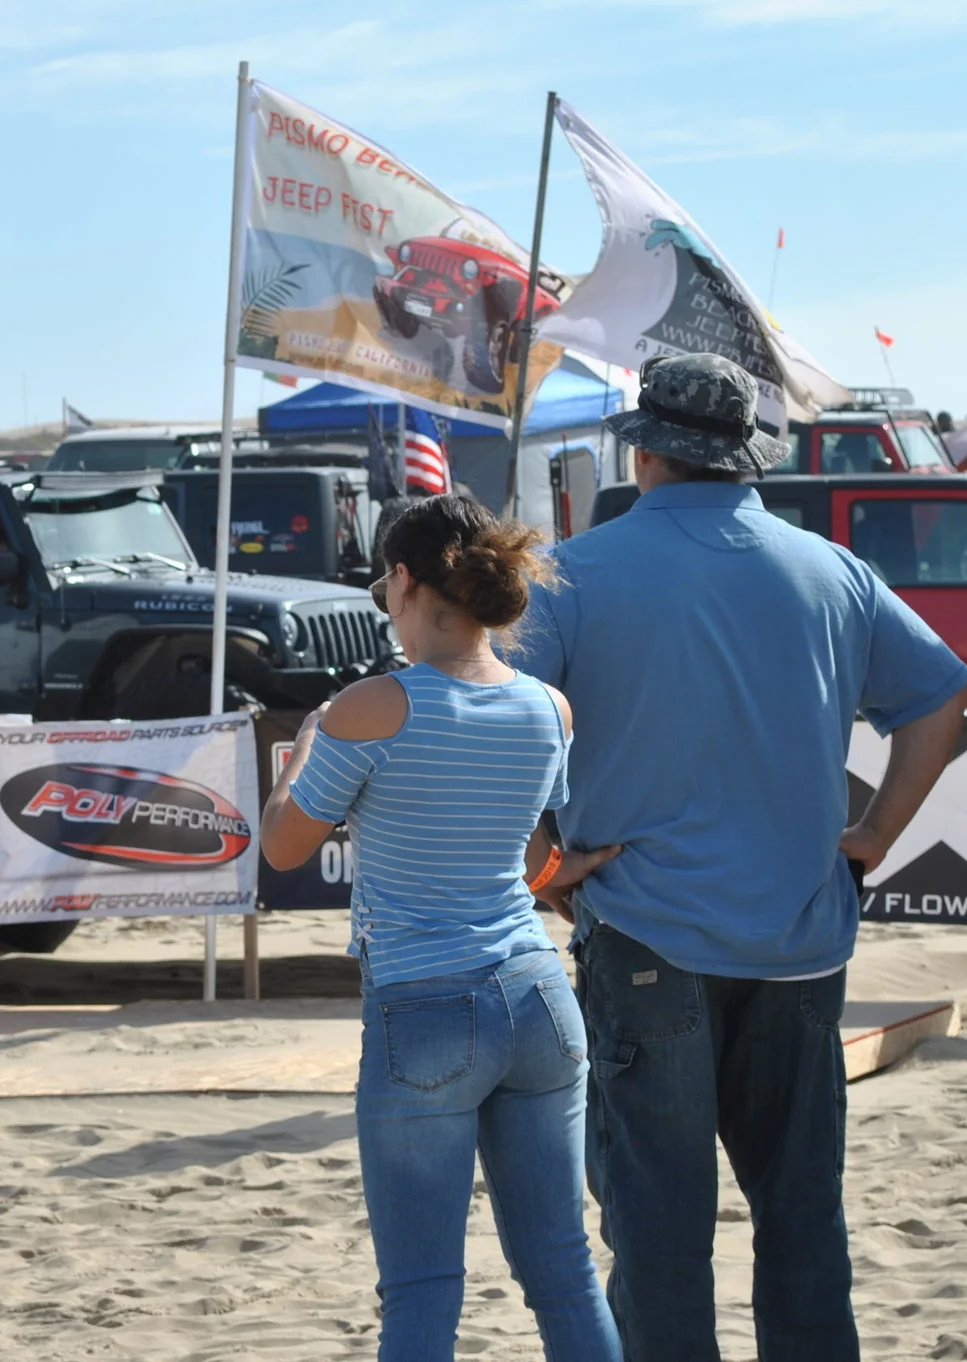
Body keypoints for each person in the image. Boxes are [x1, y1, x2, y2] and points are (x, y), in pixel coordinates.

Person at [503, 352, 967, 1362]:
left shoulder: (577, 573)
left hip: (643, 936)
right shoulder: (831, 571)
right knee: (803, 1226)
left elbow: (499, 719)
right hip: (802, 939)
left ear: (647, 456)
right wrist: (874, 838)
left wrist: (545, 857)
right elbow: (939, 698)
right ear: (744, 457)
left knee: (659, 1235)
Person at [263, 495, 622, 1362]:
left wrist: (309, 739)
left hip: (423, 1002)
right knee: (564, 1271)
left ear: (403, 580)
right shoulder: (548, 708)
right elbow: (535, 859)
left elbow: (282, 847)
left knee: (422, 1296)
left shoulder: (369, 707)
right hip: (536, 992)